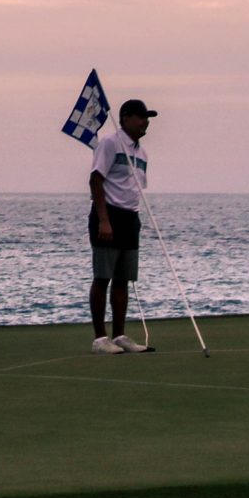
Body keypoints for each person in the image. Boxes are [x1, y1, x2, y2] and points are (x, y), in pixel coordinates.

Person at [88, 98, 154, 353]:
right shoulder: (109, 143)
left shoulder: (142, 152)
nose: (144, 122)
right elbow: (95, 181)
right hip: (108, 215)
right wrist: (104, 220)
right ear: (125, 118)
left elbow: (135, 187)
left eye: (146, 117)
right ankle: (99, 339)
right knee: (103, 277)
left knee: (123, 279)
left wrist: (135, 219)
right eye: (140, 117)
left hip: (130, 217)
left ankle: (119, 336)